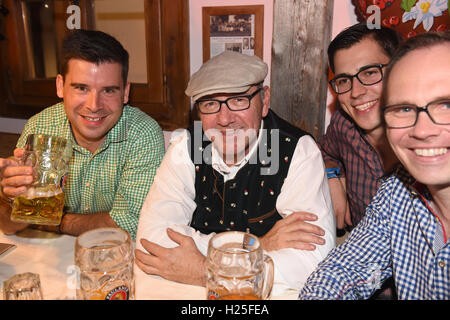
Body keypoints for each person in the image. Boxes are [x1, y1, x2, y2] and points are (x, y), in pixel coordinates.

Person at [134, 51, 336, 295]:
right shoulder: (186, 146)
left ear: (265, 100)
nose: (224, 118)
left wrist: (204, 269)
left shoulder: (298, 151)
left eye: (239, 99)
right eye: (210, 103)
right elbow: (152, 241)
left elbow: (313, 263)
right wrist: (256, 245)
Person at [299, 31, 450, 300]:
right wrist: (333, 177)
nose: (422, 130)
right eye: (404, 109)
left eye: (446, 105)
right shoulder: (396, 195)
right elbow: (342, 270)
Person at [0, 29, 165, 240]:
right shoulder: (39, 127)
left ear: (125, 92)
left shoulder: (143, 134)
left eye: (108, 90)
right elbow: (9, 227)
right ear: (60, 86)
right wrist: (8, 198)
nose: (94, 106)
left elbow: (132, 224)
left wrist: (53, 220)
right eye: (81, 88)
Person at [319, 23, 402, 232]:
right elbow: (325, 151)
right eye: (344, 80)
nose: (356, 92)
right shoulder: (343, 125)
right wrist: (333, 179)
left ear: (399, 68)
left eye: (369, 73)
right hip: (360, 250)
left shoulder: (430, 136)